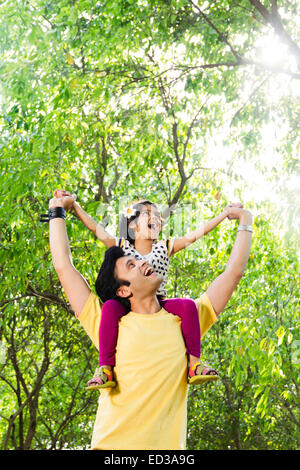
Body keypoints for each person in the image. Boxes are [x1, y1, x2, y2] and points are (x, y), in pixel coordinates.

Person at [48, 194, 253, 450]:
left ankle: (194, 365)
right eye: (131, 264)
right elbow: (64, 267)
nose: (142, 262)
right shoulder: (108, 324)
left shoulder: (185, 321)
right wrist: (58, 211)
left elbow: (234, 272)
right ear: (122, 290)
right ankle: (105, 369)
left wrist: (244, 221)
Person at [53, 190, 241, 390]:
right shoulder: (122, 245)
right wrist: (74, 206)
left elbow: (194, 235)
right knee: (109, 308)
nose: (156, 218)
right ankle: (105, 368)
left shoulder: (164, 246)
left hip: (158, 301)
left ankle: (194, 363)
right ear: (132, 225)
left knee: (188, 306)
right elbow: (96, 229)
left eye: (158, 217)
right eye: (148, 214)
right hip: (128, 302)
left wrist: (223, 215)